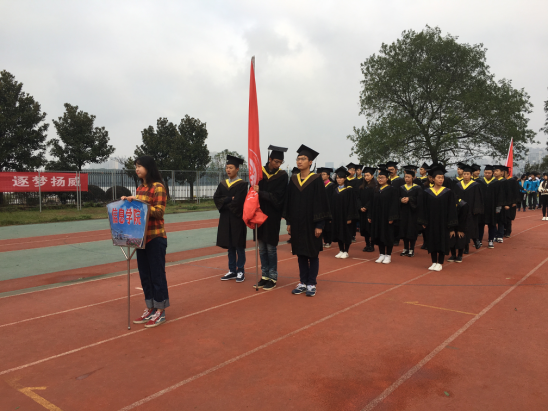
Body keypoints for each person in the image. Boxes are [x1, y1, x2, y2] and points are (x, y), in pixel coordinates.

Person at [124, 155, 169, 328]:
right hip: (140, 238)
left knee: (157, 275)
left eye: (140, 166)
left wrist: (139, 202)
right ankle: (150, 307)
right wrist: (129, 202)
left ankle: (160, 310)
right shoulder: (140, 188)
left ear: (149, 168)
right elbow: (137, 211)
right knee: (145, 275)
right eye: (136, 166)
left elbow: (159, 212)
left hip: (155, 237)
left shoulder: (158, 187)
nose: (137, 169)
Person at [284, 145, 331, 297]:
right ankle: (303, 282)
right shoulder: (293, 179)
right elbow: (289, 202)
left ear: (310, 162)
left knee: (312, 254)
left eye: (303, 159)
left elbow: (321, 203)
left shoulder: (316, 180)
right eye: (298, 159)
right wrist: (289, 222)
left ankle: (311, 283)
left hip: (312, 224)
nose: (299, 161)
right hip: (297, 223)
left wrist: (320, 225)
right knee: (301, 254)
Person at [252, 146, 289, 290]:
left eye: (280, 162)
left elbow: (279, 198)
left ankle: (273, 277)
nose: (278, 165)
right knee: (261, 247)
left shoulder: (282, 176)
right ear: (270, 159)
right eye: (276, 162)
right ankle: (264, 276)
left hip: (273, 215)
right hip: (259, 213)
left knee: (271, 248)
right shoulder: (259, 173)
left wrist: (261, 192)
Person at [214, 155, 248, 282]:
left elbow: (239, 202)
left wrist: (225, 202)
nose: (228, 170)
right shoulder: (223, 184)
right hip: (225, 219)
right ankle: (232, 270)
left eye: (231, 167)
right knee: (230, 245)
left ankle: (241, 270)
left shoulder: (242, 185)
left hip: (237, 218)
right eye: (227, 167)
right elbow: (216, 198)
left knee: (239, 245)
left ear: (237, 169)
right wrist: (229, 199)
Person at [419, 164, 458, 272]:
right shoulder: (427, 192)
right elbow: (423, 208)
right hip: (431, 222)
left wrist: (451, 226)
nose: (441, 179)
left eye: (442, 177)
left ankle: (440, 262)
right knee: (431, 241)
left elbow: (452, 210)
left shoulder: (448, 192)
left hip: (443, 222)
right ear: (433, 179)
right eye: (439, 177)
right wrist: (423, 221)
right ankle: (433, 262)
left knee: (441, 241)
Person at [368, 168, 399, 264]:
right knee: (378, 235)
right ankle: (381, 254)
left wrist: (392, 217)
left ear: (387, 178)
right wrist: (370, 216)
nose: (380, 179)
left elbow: (394, 204)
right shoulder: (375, 190)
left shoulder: (392, 190)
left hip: (387, 217)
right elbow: (371, 203)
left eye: (382, 177)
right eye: (379, 177)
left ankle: (388, 255)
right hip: (377, 217)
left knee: (387, 236)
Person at [452, 164, 484, 250]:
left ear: (471, 175)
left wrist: (476, 209)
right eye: (464, 174)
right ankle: (465, 247)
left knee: (471, 227)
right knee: (462, 227)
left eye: (467, 174)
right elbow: (455, 197)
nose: (466, 176)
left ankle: (475, 241)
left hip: (471, 210)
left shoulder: (475, 185)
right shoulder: (458, 185)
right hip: (461, 210)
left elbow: (478, 198)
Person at [331, 167, 359, 259]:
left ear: (345, 178)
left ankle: (346, 251)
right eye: (337, 178)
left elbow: (352, 204)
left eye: (341, 178)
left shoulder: (349, 190)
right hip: (337, 215)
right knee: (338, 232)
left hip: (346, 216)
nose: (339, 180)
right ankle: (341, 250)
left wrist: (350, 217)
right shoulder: (334, 189)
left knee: (346, 233)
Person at [477, 165, 505, 249]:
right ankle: (479, 240)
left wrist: (498, 207)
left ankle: (490, 240)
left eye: (489, 173)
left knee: (492, 224)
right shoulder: (479, 182)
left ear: (492, 173)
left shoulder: (497, 183)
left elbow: (500, 196)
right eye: (485, 173)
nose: (487, 174)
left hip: (492, 207)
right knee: (480, 224)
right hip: (481, 207)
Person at [398, 168, 423, 257]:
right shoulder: (401, 188)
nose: (406, 179)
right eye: (405, 177)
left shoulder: (418, 188)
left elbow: (420, 200)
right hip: (404, 212)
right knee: (404, 230)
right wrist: (401, 200)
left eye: (408, 177)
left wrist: (410, 199)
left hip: (413, 213)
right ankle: (405, 248)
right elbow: (397, 197)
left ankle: (411, 249)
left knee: (412, 230)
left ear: (413, 177)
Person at [448, 199, 474, 263]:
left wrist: (460, 229)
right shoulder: (449, 204)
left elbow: (464, 218)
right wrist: (451, 229)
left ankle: (460, 255)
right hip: (451, 223)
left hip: (462, 224)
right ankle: (453, 255)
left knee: (460, 238)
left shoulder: (463, 205)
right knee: (451, 238)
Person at [358, 167, 377, 252]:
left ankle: (372, 245)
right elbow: (357, 198)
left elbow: (372, 199)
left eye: (368, 175)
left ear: (372, 176)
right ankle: (367, 244)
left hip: (370, 211)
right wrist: (360, 207)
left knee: (370, 228)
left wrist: (366, 207)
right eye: (365, 175)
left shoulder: (374, 187)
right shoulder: (362, 187)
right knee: (364, 229)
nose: (366, 177)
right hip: (362, 211)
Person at [493, 165, 510, 243]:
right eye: (494, 171)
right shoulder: (492, 181)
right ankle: (494, 234)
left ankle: (500, 235)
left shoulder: (505, 182)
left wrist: (507, 204)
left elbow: (508, 194)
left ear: (501, 173)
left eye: (497, 171)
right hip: (493, 204)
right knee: (493, 220)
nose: (495, 172)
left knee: (501, 220)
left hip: (502, 204)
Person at [502, 166, 521, 237]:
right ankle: (502, 231)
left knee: (508, 217)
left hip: (510, 202)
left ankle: (508, 231)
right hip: (503, 202)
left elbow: (516, 192)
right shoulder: (501, 181)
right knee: (502, 217)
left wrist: (515, 202)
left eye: (502, 171)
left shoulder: (512, 181)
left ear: (506, 172)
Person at [318, 167, 335, 248]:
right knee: (321, 225)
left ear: (328, 176)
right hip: (321, 208)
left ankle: (328, 241)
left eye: (324, 174)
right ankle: (322, 241)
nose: (322, 176)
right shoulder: (320, 185)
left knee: (328, 226)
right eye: (321, 174)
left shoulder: (332, 186)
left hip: (329, 208)